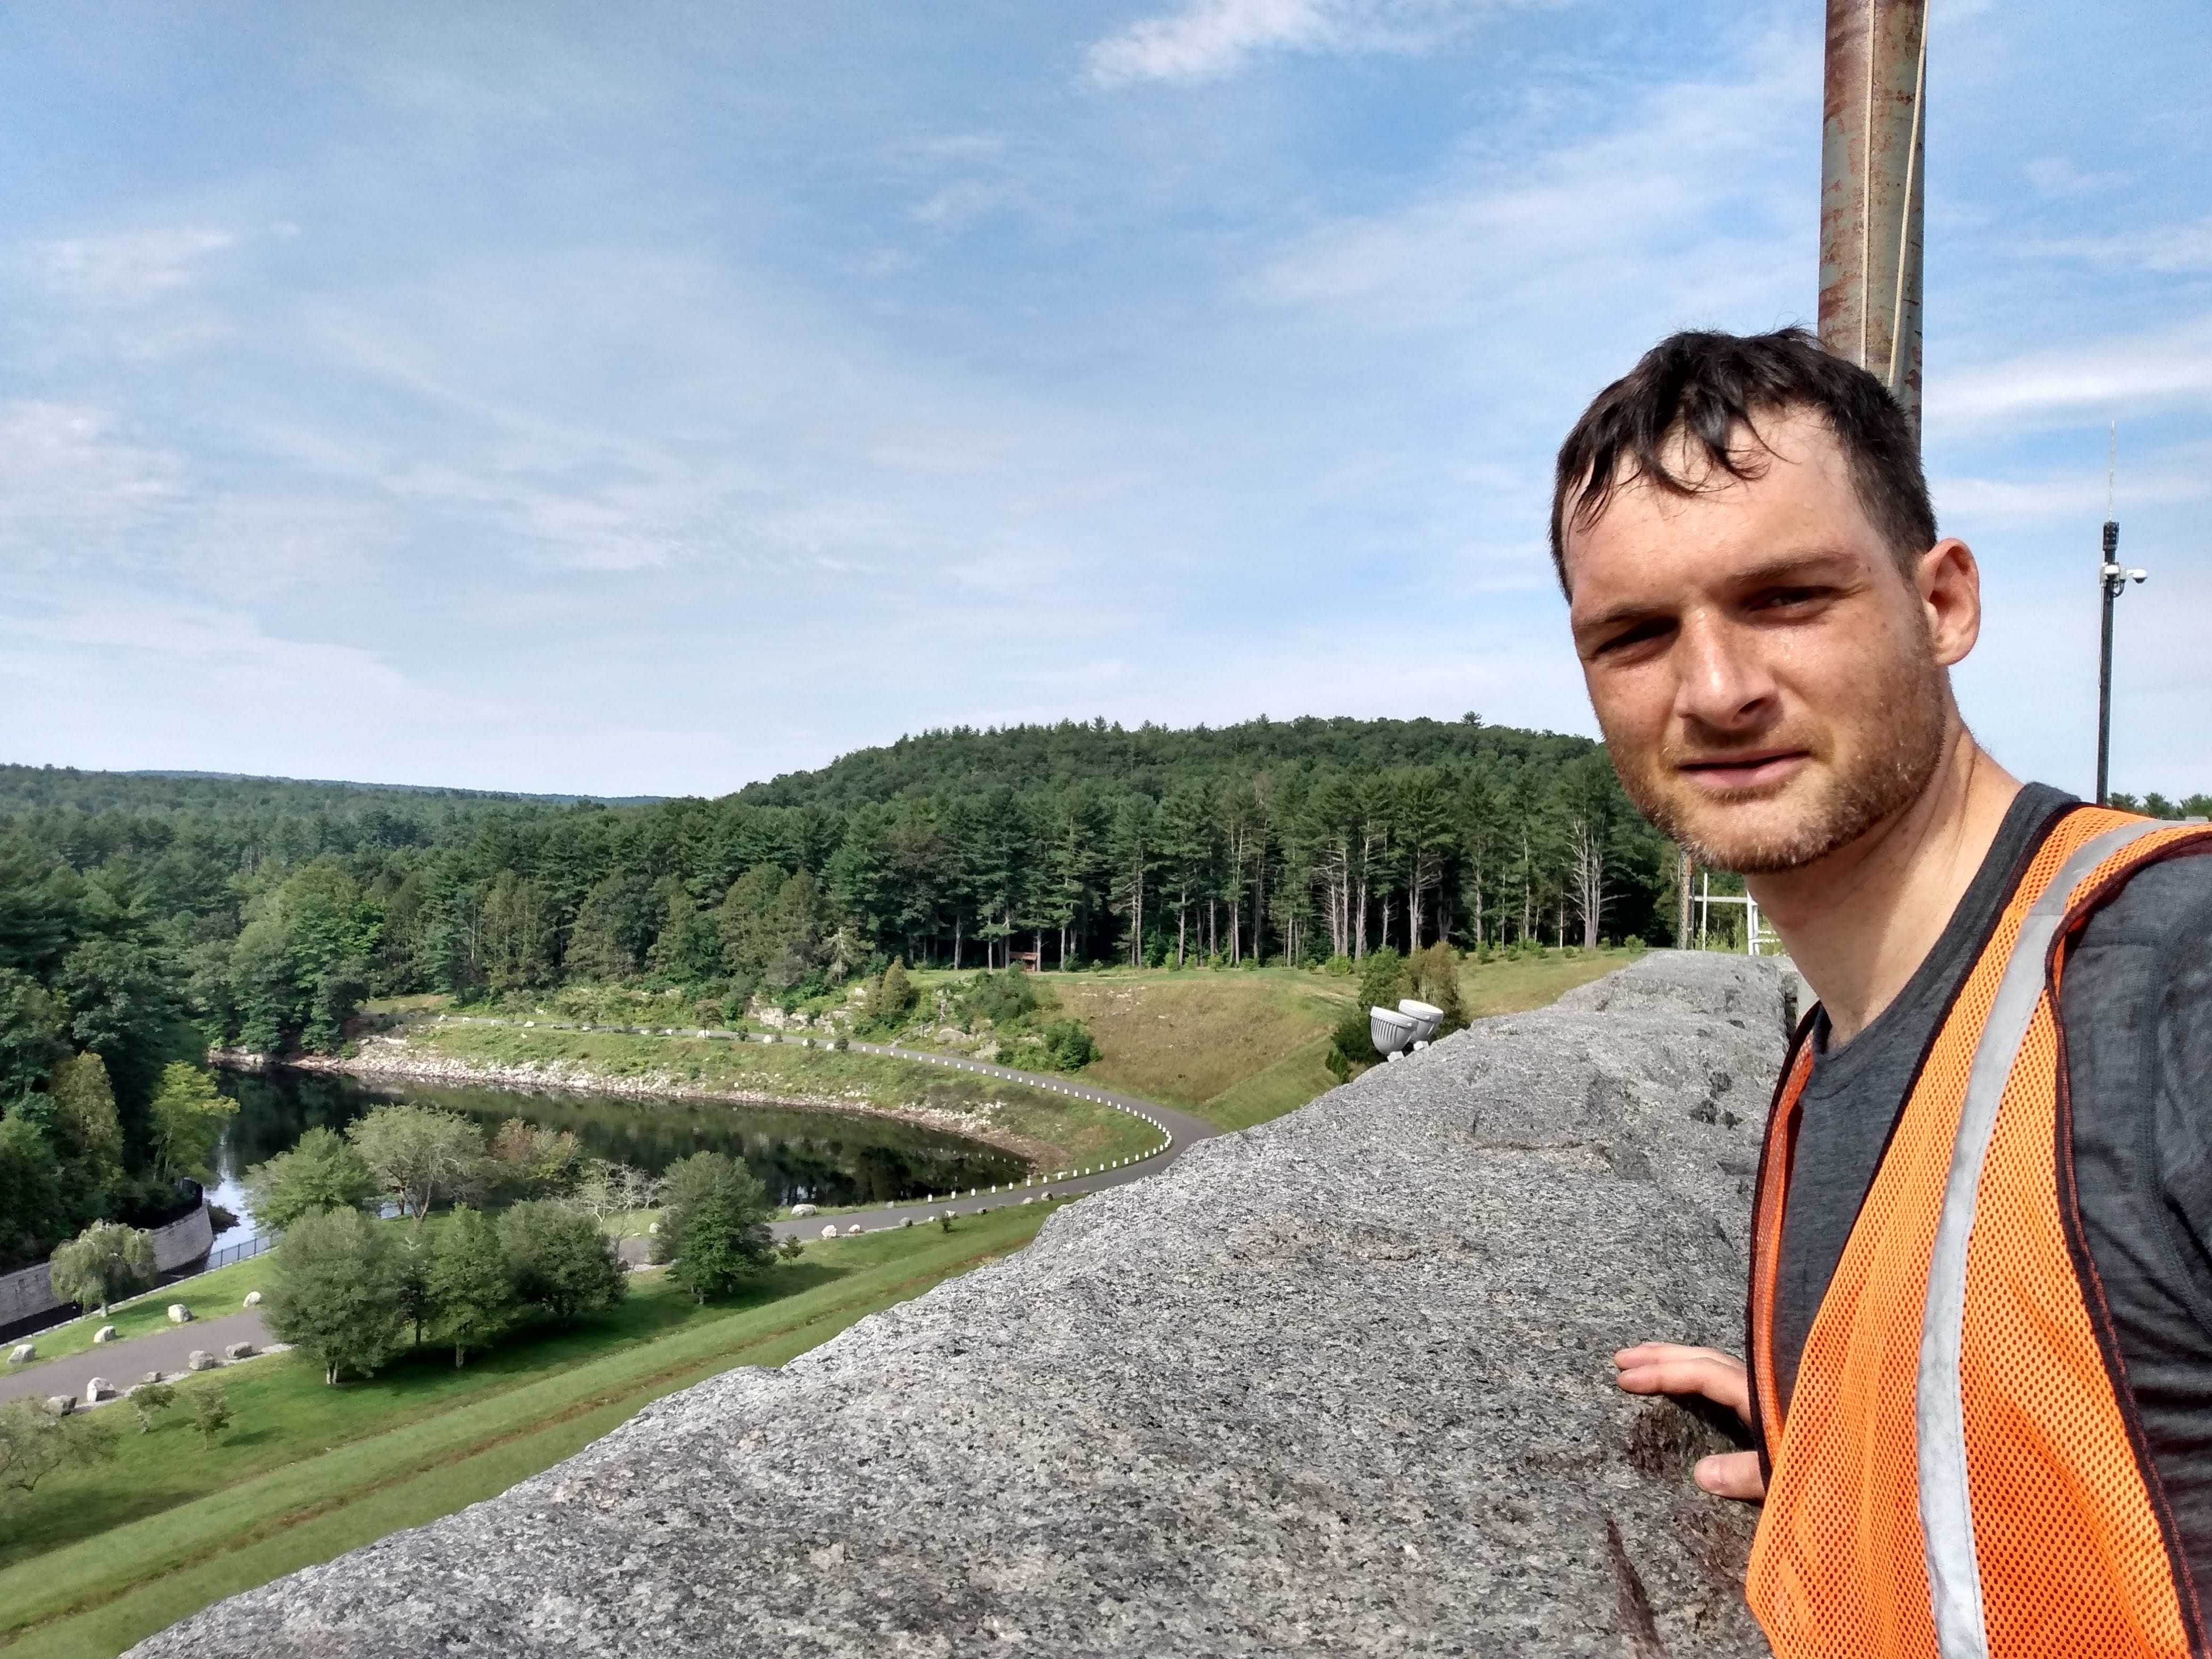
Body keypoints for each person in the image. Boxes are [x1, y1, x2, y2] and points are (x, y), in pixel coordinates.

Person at [1551, 328, 2212, 1658]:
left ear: (1943, 604)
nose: (1718, 689)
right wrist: (1866, 1434)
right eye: (1634, 635)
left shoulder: (2166, 981)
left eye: (1788, 597)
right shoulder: (1830, 1067)